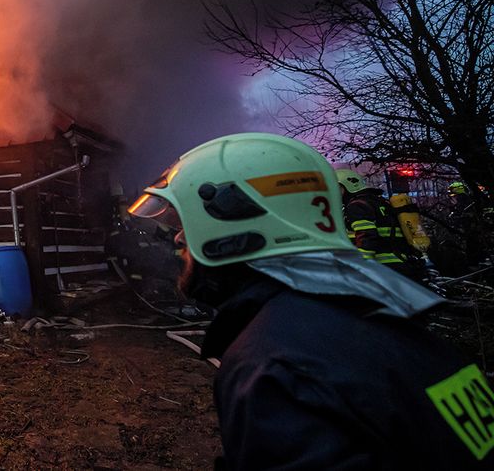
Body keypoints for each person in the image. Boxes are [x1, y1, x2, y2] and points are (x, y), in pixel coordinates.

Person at [129, 133, 494, 469]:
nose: (178, 239)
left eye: (186, 224)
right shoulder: (388, 325)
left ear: (231, 229)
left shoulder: (275, 366)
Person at [336, 167, 426, 280]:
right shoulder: (379, 202)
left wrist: (360, 265)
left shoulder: (356, 206)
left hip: (383, 266)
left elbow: (367, 236)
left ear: (345, 187)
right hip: (401, 263)